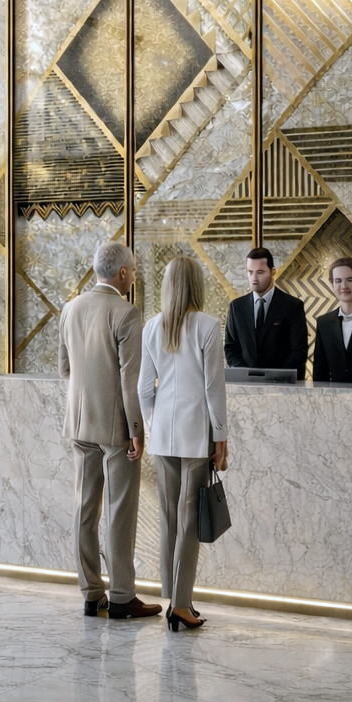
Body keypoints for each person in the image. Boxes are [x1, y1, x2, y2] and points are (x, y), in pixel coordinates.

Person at [58, 242, 162, 621]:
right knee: (119, 511)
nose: (133, 276)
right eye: (132, 270)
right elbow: (130, 380)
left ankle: (91, 593)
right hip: (116, 428)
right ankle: (121, 596)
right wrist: (137, 429)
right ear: (122, 274)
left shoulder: (70, 308)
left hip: (79, 425)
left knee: (84, 509)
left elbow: (65, 369)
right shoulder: (126, 311)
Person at [139, 256, 228, 632]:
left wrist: (151, 426)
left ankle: (173, 598)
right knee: (188, 521)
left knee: (169, 521)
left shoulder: (152, 327)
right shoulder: (208, 326)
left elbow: (145, 388)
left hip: (163, 436)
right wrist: (220, 437)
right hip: (195, 435)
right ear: (197, 285)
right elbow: (213, 388)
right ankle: (182, 604)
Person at [224, 246, 308, 376]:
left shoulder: (292, 306)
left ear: (273, 272)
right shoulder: (236, 307)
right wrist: (246, 374)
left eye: (260, 272)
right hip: (246, 385)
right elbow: (231, 347)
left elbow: (299, 351)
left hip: (283, 385)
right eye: (250, 272)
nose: (254, 278)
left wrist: (275, 377)